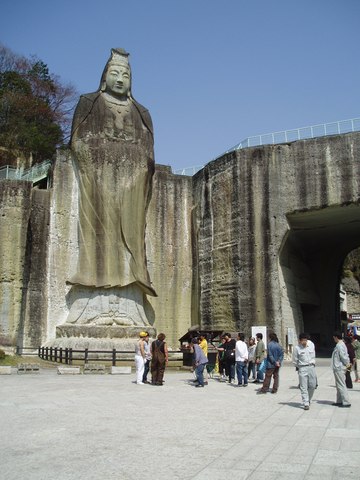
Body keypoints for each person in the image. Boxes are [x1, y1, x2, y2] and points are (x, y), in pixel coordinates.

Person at [67, 48, 156, 324]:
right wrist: (103, 159)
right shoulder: (89, 102)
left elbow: (148, 153)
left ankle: (131, 303)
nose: (120, 79)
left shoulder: (142, 113)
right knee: (97, 235)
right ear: (104, 77)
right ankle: (91, 301)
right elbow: (79, 142)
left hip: (132, 184)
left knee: (132, 236)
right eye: (114, 73)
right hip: (98, 181)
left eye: (126, 75)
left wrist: (135, 169)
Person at [292, 333, 317, 410]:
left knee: (313, 385)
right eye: (303, 340)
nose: (304, 342)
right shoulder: (297, 348)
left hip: (311, 366)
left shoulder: (311, 344)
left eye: (306, 340)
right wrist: (298, 367)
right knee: (303, 386)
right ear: (299, 341)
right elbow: (295, 360)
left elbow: (313, 355)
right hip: (302, 368)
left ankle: (309, 399)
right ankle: (306, 402)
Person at [331, 332, 351, 407]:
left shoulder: (340, 345)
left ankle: (346, 402)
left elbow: (344, 356)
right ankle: (339, 400)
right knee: (338, 385)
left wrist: (347, 364)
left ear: (336, 337)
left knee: (341, 385)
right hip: (337, 368)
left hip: (340, 368)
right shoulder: (340, 345)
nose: (334, 339)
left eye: (334, 338)